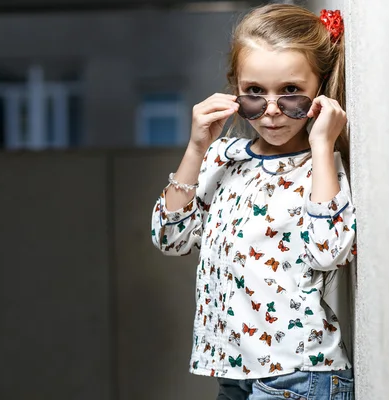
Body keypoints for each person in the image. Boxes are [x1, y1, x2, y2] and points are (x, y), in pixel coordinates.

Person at [151, 4, 356, 399]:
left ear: (320, 91)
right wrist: (197, 147)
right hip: (234, 373)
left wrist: (321, 143)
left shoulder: (320, 165)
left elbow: (330, 251)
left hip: (299, 377)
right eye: (255, 94)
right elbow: (170, 238)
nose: (273, 111)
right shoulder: (222, 157)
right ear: (235, 90)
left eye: (292, 93)